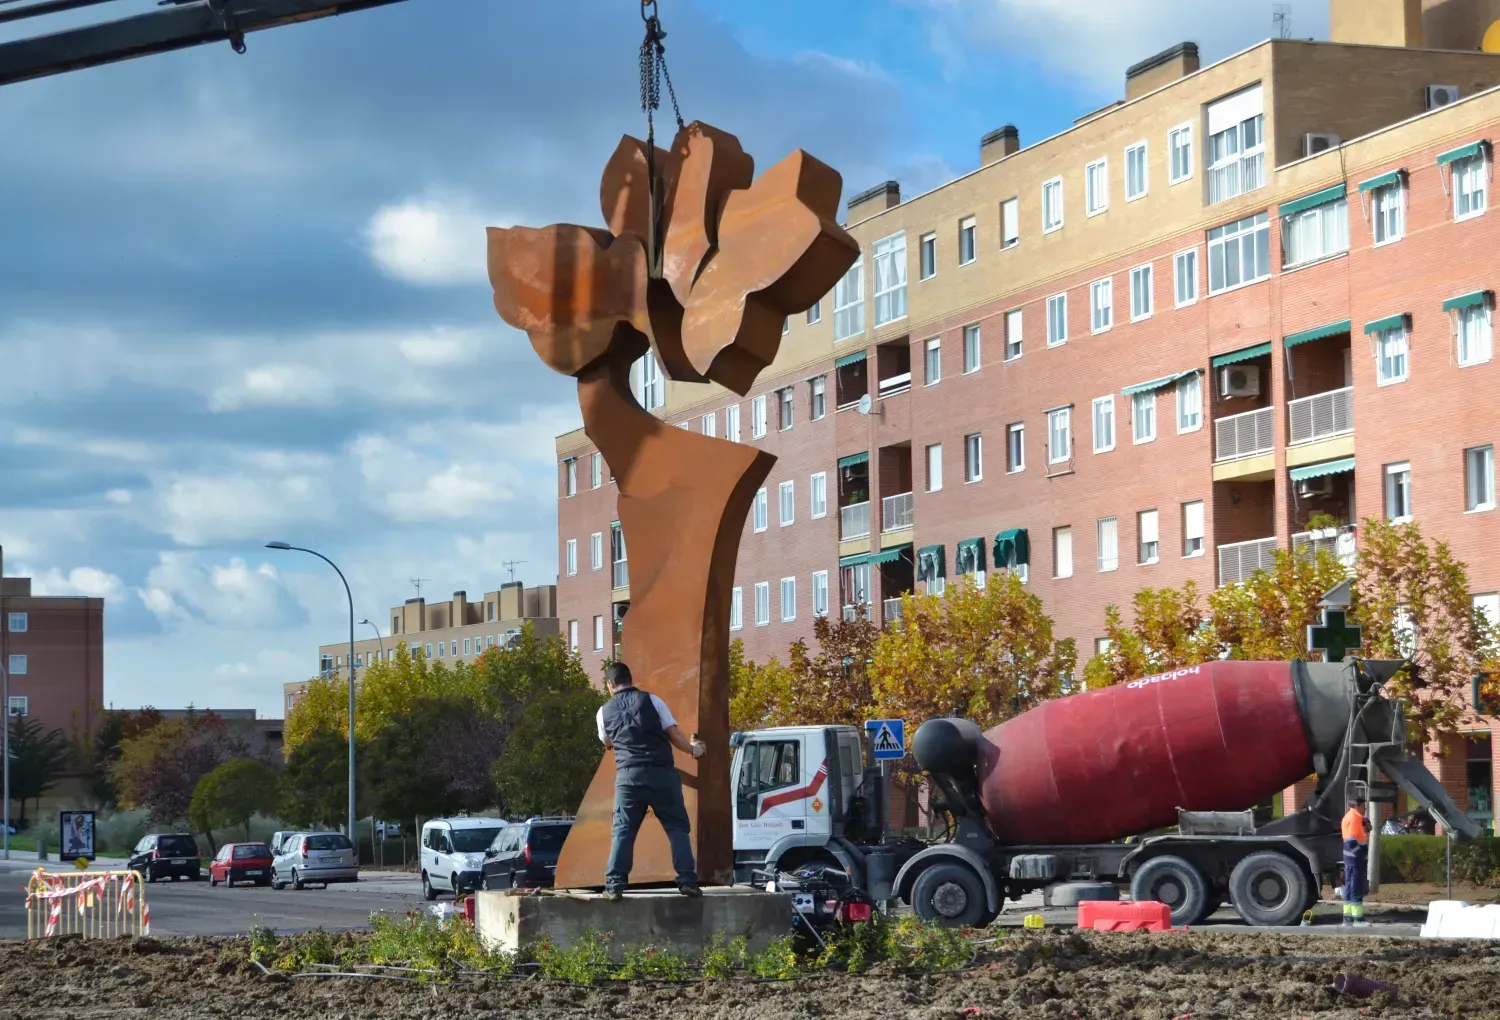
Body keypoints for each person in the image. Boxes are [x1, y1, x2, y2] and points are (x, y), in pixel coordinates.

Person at [596, 661, 706, 900]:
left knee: (623, 830)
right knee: (677, 827)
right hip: (662, 775)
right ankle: (687, 881)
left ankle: (614, 886)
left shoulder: (603, 712)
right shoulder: (652, 701)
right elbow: (674, 733)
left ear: (610, 684)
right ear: (630, 679)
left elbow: (607, 742)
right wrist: (693, 750)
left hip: (628, 778)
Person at [1341, 795, 1372, 926]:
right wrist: (1362, 855)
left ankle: (1347, 918)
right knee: (1356, 887)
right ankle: (1358, 920)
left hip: (1349, 859)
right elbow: (1351, 842)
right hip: (1355, 859)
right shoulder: (1354, 819)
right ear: (1357, 806)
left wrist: (1364, 822)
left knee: (1349, 887)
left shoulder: (1350, 817)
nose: (1365, 808)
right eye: (1364, 806)